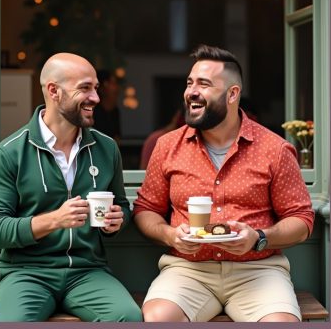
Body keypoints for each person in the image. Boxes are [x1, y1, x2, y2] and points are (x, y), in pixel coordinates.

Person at [133, 45, 314, 322]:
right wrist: (171, 236)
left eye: (204, 84)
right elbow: (146, 209)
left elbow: (301, 220)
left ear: (232, 94)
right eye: (190, 83)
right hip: (188, 270)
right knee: (158, 318)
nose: (191, 91)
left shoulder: (275, 148)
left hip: (258, 270)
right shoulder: (167, 146)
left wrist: (259, 238)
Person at [0, 53, 142, 322]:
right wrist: (54, 220)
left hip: (87, 271)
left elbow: (122, 206)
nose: (96, 98)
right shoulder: (11, 152)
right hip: (26, 273)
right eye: (85, 88)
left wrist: (118, 220)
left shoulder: (106, 148)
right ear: (54, 91)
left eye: (96, 88)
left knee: (128, 317)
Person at [93, 69, 121, 142]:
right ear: (103, 87)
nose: (117, 88)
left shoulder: (115, 111)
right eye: (113, 83)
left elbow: (117, 137)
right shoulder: (92, 112)